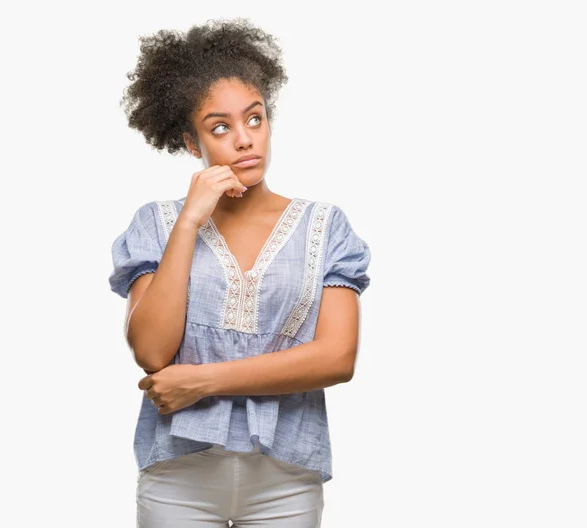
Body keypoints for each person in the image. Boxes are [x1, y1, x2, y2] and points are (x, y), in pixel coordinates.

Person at [108, 18, 371, 528]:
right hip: (177, 476)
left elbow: (336, 357)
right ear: (191, 142)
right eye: (220, 127)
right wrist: (190, 219)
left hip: (287, 477)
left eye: (255, 119)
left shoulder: (325, 226)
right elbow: (152, 352)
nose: (245, 140)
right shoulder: (157, 223)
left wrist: (201, 382)